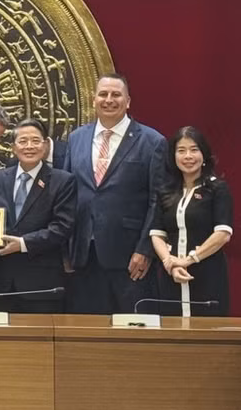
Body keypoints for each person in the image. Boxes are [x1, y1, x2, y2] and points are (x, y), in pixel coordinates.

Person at [64, 74, 167, 314]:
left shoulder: (152, 141)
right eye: (103, 94)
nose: (109, 100)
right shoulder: (76, 138)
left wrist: (145, 249)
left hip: (130, 258)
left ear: (128, 101)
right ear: (94, 100)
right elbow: (67, 195)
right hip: (83, 256)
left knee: (132, 334)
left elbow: (158, 200)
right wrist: (66, 248)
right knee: (87, 333)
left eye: (116, 95)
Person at [0, 118, 75, 313]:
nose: (29, 146)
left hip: (42, 284)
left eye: (35, 141)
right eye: (23, 141)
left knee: (40, 342)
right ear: (13, 147)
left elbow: (62, 228)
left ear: (45, 145)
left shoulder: (63, 181)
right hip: (3, 283)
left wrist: (23, 244)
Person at [150, 127, 233, 316]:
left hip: (206, 272)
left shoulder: (217, 188)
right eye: (181, 150)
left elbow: (222, 234)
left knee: (207, 332)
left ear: (204, 154)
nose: (188, 156)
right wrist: (170, 263)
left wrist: (188, 260)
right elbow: (156, 234)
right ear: (173, 156)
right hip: (171, 275)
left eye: (194, 150)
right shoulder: (166, 191)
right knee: (172, 332)